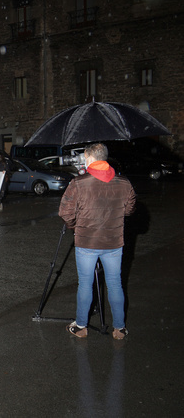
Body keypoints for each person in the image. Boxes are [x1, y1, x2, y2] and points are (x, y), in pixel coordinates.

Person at [58, 142, 136, 340]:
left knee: (85, 284)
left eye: (85, 158)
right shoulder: (124, 183)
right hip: (113, 242)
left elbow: (65, 212)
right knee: (115, 284)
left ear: (90, 158)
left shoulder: (78, 183)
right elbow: (129, 209)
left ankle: (81, 326)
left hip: (87, 242)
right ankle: (120, 328)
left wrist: (76, 226)